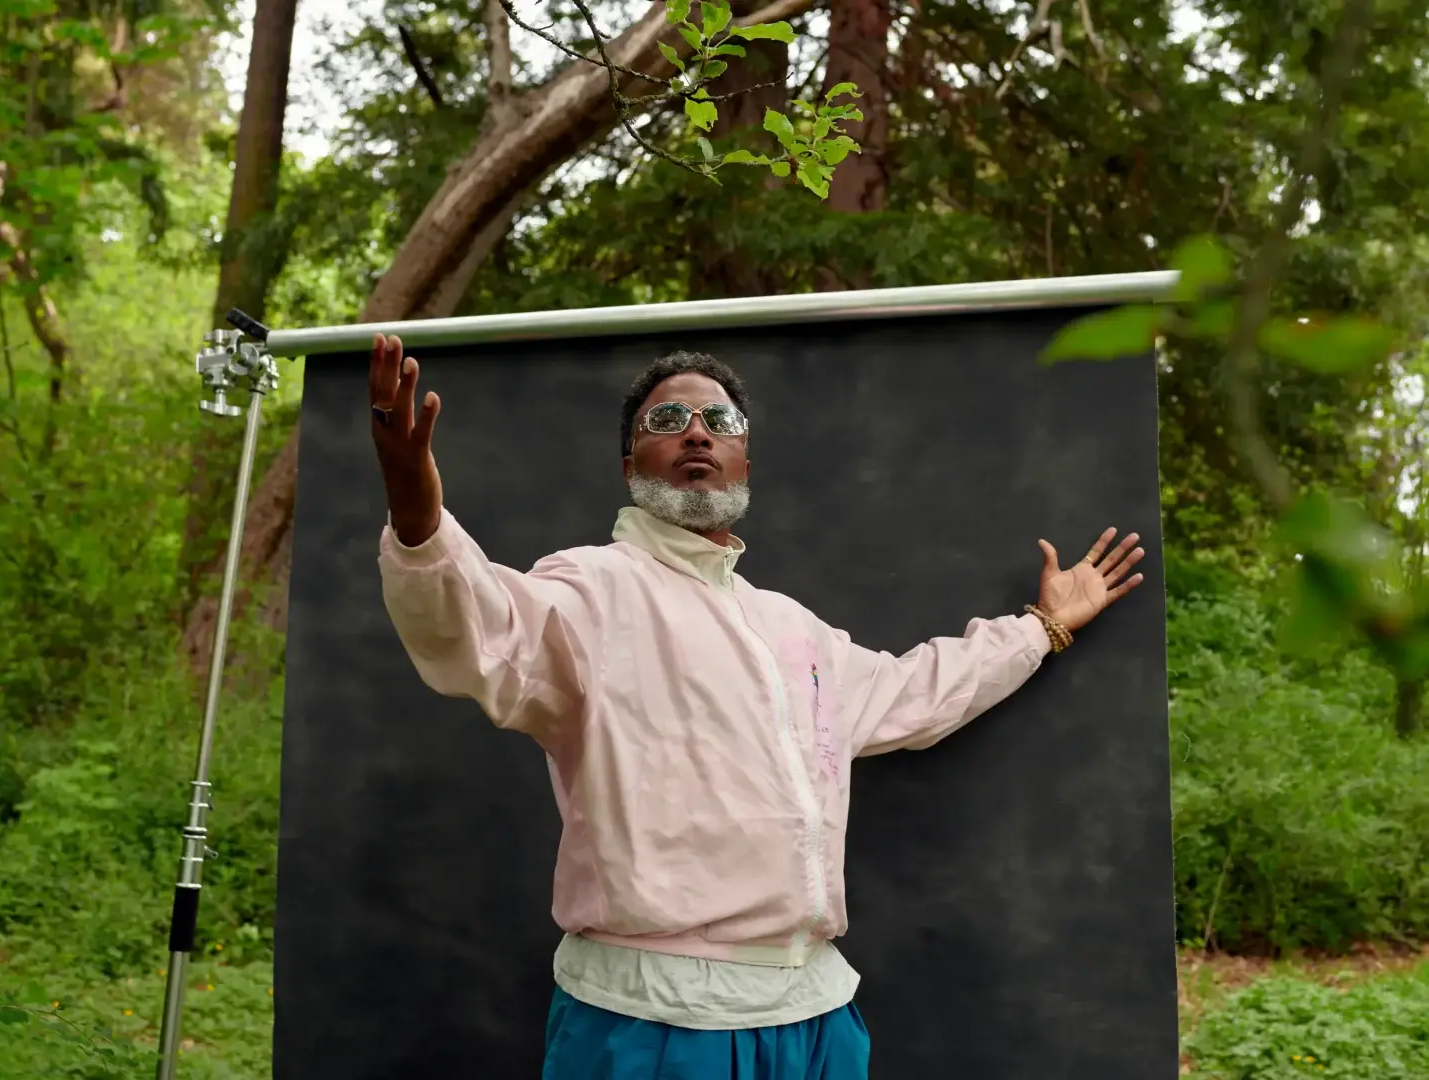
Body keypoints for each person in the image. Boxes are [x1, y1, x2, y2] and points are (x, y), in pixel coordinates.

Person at [368, 332, 1147, 1080]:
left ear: (746, 457)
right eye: (667, 420)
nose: (696, 433)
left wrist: (1041, 629)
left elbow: (919, 691)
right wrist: (417, 516)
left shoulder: (790, 627)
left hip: (814, 1017)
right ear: (630, 460)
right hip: (654, 1025)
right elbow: (480, 628)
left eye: (720, 421)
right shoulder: (588, 590)